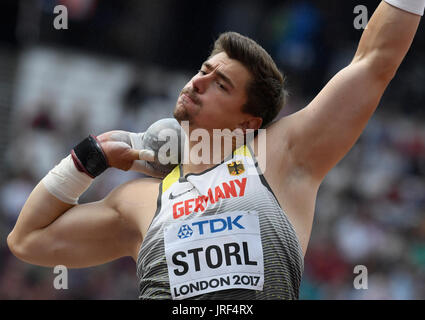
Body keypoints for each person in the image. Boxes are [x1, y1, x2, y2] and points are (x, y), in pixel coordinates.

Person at [7, 1, 423, 300]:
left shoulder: (282, 156)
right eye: (203, 71)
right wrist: (90, 156)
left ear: (248, 123)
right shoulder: (139, 201)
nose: (198, 82)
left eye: (220, 83)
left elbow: (375, 60)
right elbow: (28, 240)